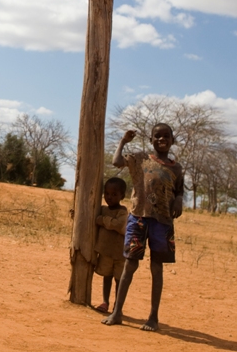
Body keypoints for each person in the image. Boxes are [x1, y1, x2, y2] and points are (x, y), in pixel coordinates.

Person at [102, 124, 184, 332]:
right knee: (130, 264)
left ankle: (153, 317)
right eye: (157, 136)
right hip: (139, 218)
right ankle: (117, 312)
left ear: (172, 140)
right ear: (151, 139)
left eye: (166, 136)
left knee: (157, 268)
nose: (162, 139)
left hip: (163, 222)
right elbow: (116, 162)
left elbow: (179, 190)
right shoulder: (140, 158)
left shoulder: (176, 168)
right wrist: (123, 142)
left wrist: (179, 200)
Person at [92, 176, 128, 313]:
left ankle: (117, 306)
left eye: (114, 194)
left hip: (120, 254)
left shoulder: (122, 211)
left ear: (122, 196)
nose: (109, 197)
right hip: (106, 252)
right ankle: (105, 302)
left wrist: (103, 220)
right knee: (107, 277)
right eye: (107, 193)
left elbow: (118, 225)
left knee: (119, 280)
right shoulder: (102, 209)